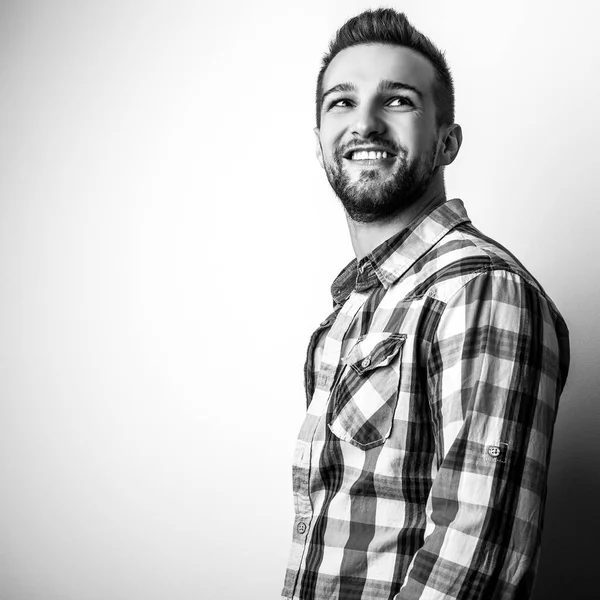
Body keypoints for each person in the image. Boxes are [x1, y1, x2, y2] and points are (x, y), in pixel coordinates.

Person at [282, 8, 570, 600]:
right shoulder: (351, 312)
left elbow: (474, 560)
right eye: (342, 101)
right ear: (319, 144)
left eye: (398, 101)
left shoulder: (479, 289)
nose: (365, 122)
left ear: (447, 141)